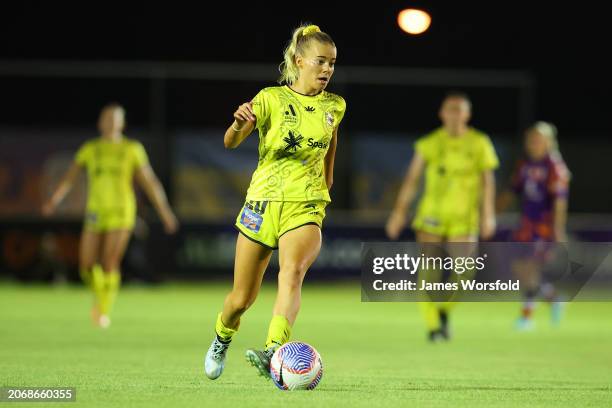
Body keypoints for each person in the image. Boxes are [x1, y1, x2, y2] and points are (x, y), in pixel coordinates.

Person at [204, 23, 346, 380]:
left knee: (292, 272)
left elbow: (330, 155)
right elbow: (230, 143)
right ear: (299, 61)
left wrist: (323, 190)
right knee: (241, 299)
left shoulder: (335, 106)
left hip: (306, 204)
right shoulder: (269, 99)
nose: (327, 69)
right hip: (262, 203)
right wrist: (238, 125)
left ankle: (273, 349)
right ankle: (222, 337)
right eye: (321, 62)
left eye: (332, 63)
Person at [42, 103, 178, 328]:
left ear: (122, 123)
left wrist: (165, 212)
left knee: (109, 263)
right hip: (95, 212)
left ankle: (102, 310)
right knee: (86, 266)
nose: (111, 122)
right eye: (107, 117)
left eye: (116, 118)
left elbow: (150, 182)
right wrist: (54, 201)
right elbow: (69, 178)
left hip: (122, 212)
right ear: (100, 122)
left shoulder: (132, 149)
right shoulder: (90, 149)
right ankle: (100, 297)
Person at [385, 92, 498, 341]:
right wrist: (399, 212)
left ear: (467, 115)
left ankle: (444, 310)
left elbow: (488, 182)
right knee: (430, 271)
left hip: (464, 218)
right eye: (450, 109)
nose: (455, 115)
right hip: (432, 216)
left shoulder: (480, 143)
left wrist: (488, 215)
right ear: (442, 114)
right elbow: (412, 180)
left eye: (460, 110)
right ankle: (433, 325)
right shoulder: (429, 143)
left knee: (465, 271)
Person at [498, 121, 570, 330]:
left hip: (544, 227)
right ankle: (554, 298)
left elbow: (560, 201)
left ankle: (527, 318)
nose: (533, 143)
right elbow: (512, 190)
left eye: (538, 139)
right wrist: (494, 212)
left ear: (549, 142)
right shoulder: (526, 164)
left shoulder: (555, 167)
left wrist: (557, 229)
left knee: (530, 269)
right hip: (526, 226)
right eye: (530, 139)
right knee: (520, 268)